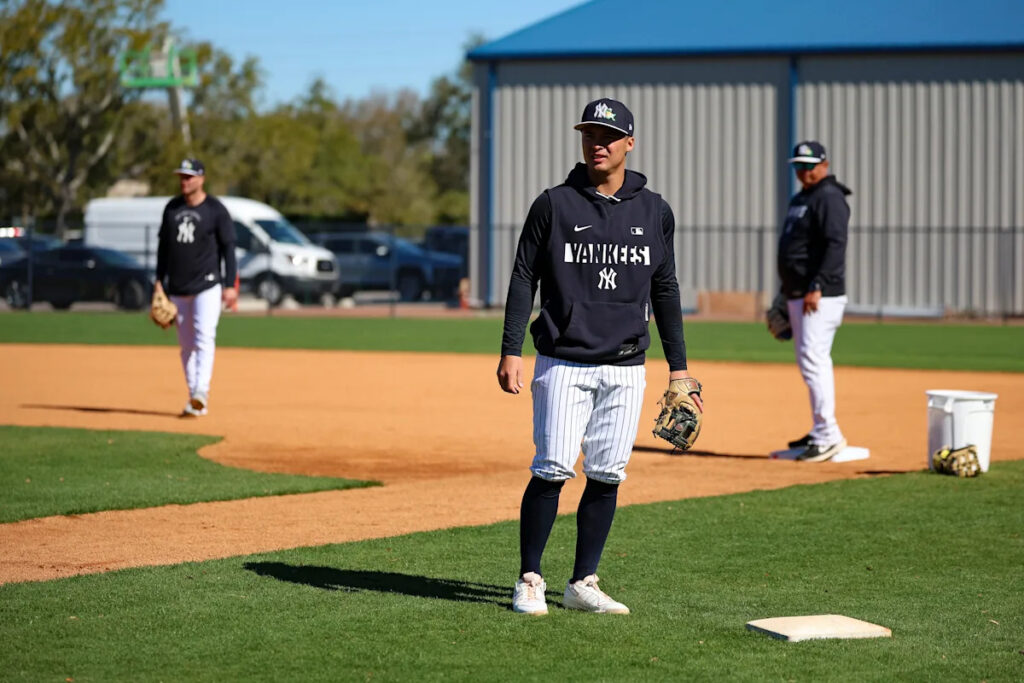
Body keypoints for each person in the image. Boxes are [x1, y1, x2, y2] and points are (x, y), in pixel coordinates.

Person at [497, 98, 702, 615]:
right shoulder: (554, 204)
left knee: (608, 474)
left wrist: (679, 368)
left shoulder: (655, 211)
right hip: (564, 359)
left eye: (608, 135)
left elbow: (666, 287)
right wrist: (511, 349)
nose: (598, 143)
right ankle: (529, 579)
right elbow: (524, 275)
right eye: (590, 133)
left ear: (629, 143)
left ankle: (582, 581)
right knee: (552, 468)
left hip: (628, 364)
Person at [777, 141, 852, 462]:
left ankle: (828, 434)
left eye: (809, 166)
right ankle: (820, 429)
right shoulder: (803, 198)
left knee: (814, 359)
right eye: (798, 166)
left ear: (824, 165)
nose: (803, 172)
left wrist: (817, 284)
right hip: (798, 293)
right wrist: (785, 292)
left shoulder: (829, 197)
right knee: (808, 361)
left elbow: (836, 245)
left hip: (819, 295)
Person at [155, 158, 238, 417]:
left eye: (189, 177)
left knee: (204, 336)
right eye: (181, 176)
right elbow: (163, 250)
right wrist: (159, 282)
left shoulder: (215, 210)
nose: (184, 181)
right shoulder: (172, 208)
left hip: (208, 285)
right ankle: (194, 397)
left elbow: (228, 248)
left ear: (201, 179)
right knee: (186, 345)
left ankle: (201, 391)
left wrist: (230, 284)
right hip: (178, 287)